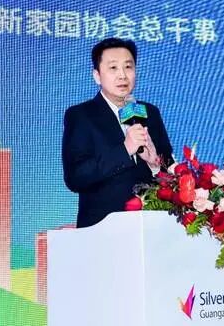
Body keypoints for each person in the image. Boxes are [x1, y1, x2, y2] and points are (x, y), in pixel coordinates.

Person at [62, 38, 173, 228]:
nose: (122, 75)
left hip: (150, 227)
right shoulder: (81, 115)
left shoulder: (150, 113)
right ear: (97, 76)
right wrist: (125, 149)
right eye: (113, 68)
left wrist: (155, 164)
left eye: (128, 67)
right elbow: (76, 177)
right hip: (101, 230)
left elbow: (170, 173)